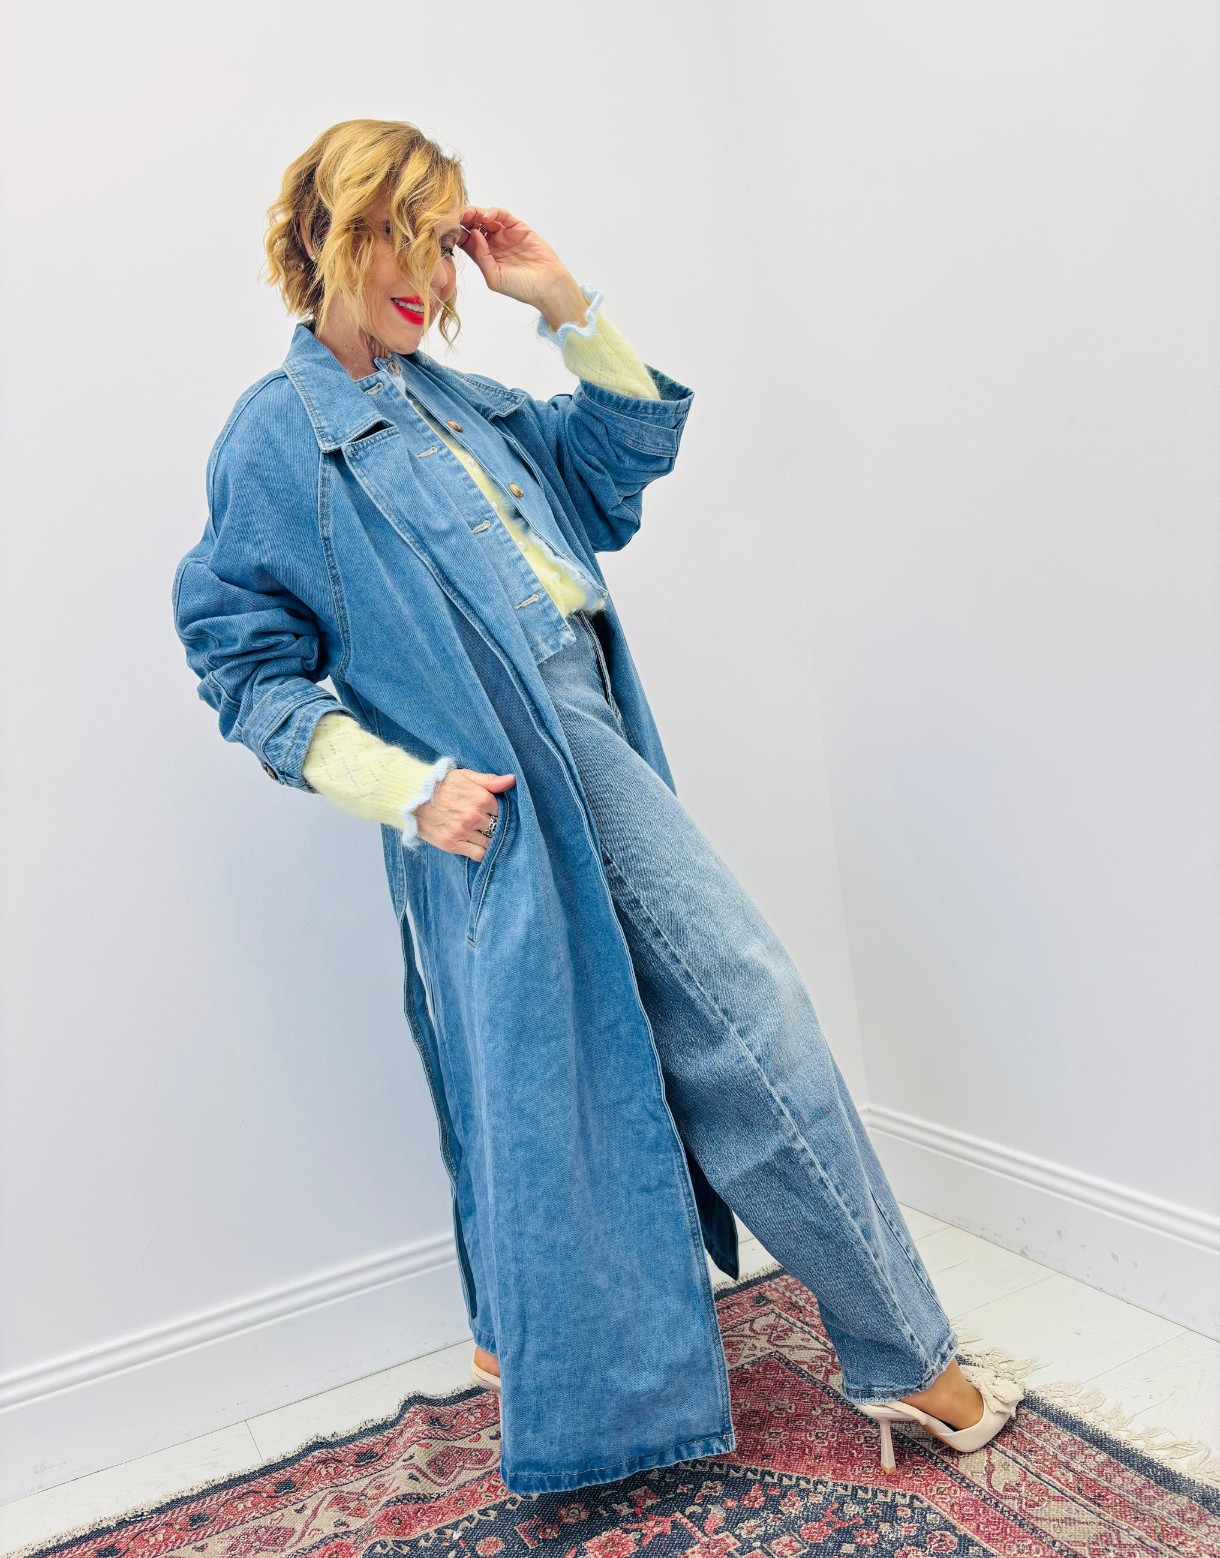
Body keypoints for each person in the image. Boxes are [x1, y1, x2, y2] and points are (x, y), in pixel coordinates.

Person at [172, 118, 1023, 1495]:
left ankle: (522, 1341)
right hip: (498, 791)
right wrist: (401, 787)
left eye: (440, 245)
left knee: (557, 1066)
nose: (426, 275)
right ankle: (903, 1356)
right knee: (721, 1030)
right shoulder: (281, 438)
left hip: (592, 740)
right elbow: (241, 658)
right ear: (329, 235)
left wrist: (562, 303)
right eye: (398, 236)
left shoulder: (460, 402)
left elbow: (616, 471)